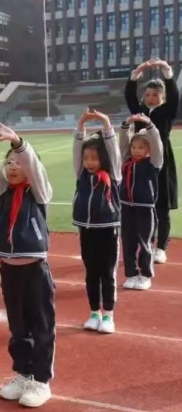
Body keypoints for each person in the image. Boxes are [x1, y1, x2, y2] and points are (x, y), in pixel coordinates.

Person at [0, 123, 54, 408]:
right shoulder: (2, 191)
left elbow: (33, 165)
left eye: (18, 163)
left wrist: (17, 142)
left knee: (41, 325)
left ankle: (41, 380)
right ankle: (23, 374)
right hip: (8, 268)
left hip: (35, 269)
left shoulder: (39, 192)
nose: (12, 167)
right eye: (9, 162)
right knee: (18, 327)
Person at [125, 59, 179, 263]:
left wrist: (167, 71)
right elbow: (129, 96)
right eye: (147, 95)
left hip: (163, 163)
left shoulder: (167, 111)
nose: (150, 98)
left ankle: (161, 247)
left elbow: (175, 96)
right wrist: (136, 74)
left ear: (162, 97)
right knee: (144, 205)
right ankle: (146, 241)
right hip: (142, 164)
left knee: (162, 206)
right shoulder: (139, 113)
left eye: (155, 95)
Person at [72, 109, 121, 333]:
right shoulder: (81, 175)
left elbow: (113, 149)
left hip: (108, 229)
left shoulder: (113, 174)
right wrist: (81, 125)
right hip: (87, 229)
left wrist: (106, 122)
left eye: (94, 158)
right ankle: (94, 312)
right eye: (86, 158)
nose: (89, 162)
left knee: (107, 273)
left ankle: (108, 315)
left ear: (104, 158)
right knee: (91, 272)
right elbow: (77, 148)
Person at [119, 113, 164, 291]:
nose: (136, 150)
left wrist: (149, 124)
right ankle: (131, 274)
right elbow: (123, 144)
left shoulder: (153, 163)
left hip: (145, 209)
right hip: (126, 207)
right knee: (128, 242)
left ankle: (145, 275)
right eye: (134, 147)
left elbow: (157, 144)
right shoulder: (126, 161)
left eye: (141, 147)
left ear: (149, 150)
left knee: (145, 243)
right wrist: (126, 125)